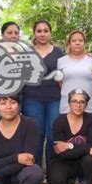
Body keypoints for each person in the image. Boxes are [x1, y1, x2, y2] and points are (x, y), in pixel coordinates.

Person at [47, 89, 92, 184]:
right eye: (74, 101)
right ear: (69, 103)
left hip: (83, 160)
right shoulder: (59, 122)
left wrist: (69, 145)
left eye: (82, 102)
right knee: (55, 181)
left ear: (86, 104)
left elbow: (90, 146)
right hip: (63, 161)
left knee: (91, 159)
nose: (78, 105)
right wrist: (85, 149)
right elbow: (61, 152)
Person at [21, 20, 64, 168]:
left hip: (55, 99)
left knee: (53, 136)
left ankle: (53, 171)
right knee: (36, 135)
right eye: (39, 31)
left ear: (50, 33)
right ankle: (36, 170)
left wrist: (87, 54)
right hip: (31, 99)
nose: (42, 34)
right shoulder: (26, 51)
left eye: (46, 31)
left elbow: (70, 65)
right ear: (34, 33)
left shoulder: (59, 52)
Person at [57, 30, 92, 115]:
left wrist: (88, 96)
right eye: (74, 41)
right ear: (69, 44)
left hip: (88, 108)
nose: (77, 43)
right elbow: (61, 83)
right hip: (66, 108)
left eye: (80, 40)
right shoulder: (61, 61)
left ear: (84, 43)